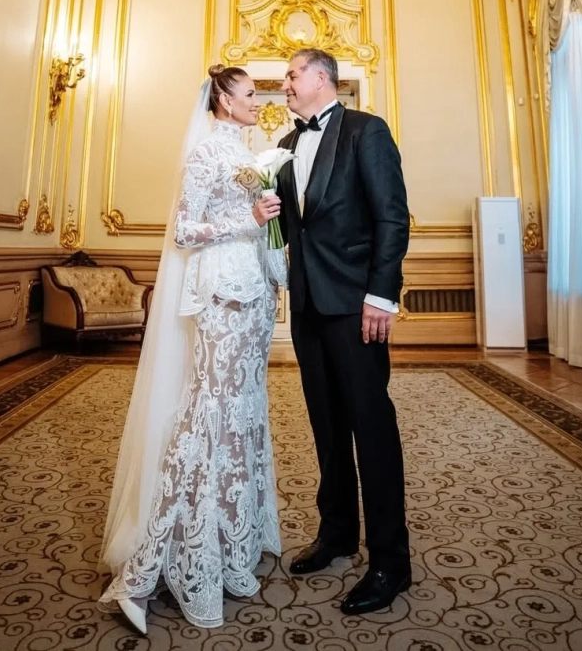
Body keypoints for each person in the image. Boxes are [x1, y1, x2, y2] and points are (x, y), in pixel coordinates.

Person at [98, 65, 284, 632]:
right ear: (224, 100)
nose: (258, 102)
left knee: (242, 414)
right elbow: (184, 230)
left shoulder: (249, 153)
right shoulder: (205, 153)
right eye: (249, 94)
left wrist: (274, 252)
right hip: (221, 295)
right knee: (209, 413)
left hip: (255, 296)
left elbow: (263, 228)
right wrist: (247, 216)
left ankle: (229, 543)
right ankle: (148, 569)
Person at [277, 47, 412, 615]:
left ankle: (390, 562)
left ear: (320, 78)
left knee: (370, 427)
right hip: (308, 305)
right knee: (326, 426)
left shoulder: (366, 130)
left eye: (292, 74)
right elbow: (292, 229)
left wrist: (381, 295)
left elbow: (392, 216)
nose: (285, 83)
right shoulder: (285, 145)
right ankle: (336, 533)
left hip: (358, 306)